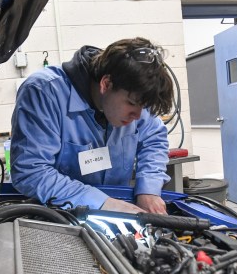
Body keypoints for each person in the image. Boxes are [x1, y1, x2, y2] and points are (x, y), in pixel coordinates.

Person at [10, 37, 174, 214]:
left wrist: (149, 189)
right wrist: (101, 203)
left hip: (121, 215)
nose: (139, 116)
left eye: (144, 107)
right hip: (60, 219)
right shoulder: (44, 92)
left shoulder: (135, 92)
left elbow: (154, 138)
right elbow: (31, 171)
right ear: (106, 84)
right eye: (132, 104)